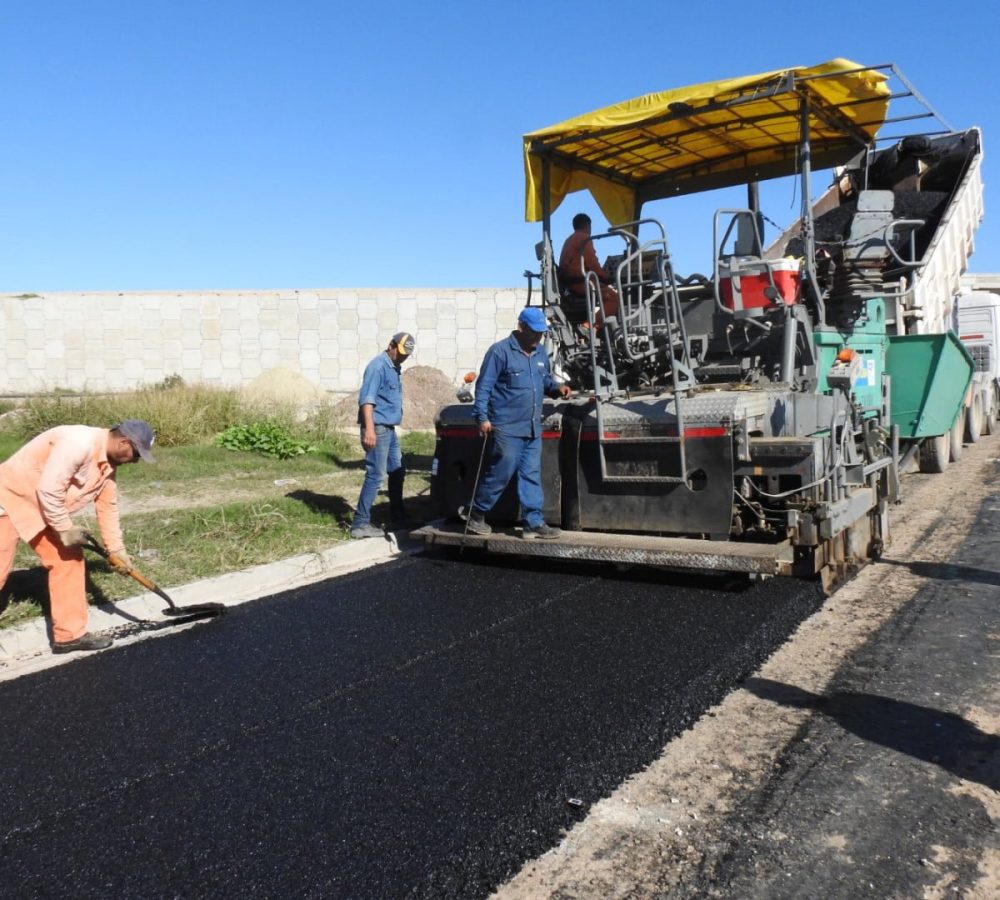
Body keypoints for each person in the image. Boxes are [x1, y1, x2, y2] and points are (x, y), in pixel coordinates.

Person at [0, 420, 156, 654]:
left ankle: (69, 636)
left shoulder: (107, 464)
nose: (135, 460)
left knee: (70, 559)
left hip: (43, 510)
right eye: (136, 453)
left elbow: (107, 507)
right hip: (9, 498)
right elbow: (49, 490)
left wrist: (116, 550)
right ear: (124, 442)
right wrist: (64, 529)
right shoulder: (78, 444)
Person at [463, 307, 572, 539]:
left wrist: (556, 388)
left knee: (531, 474)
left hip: (532, 426)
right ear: (521, 327)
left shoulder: (540, 352)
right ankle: (476, 513)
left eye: (541, 333)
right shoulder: (500, 352)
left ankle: (533, 522)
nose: (537, 338)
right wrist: (481, 418)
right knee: (501, 472)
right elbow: (484, 387)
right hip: (506, 426)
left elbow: (543, 380)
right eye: (533, 332)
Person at [351, 331, 416, 539]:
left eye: (407, 354)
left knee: (397, 469)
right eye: (402, 352)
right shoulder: (378, 366)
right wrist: (369, 429)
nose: (404, 356)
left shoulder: (394, 368)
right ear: (391, 345)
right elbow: (367, 401)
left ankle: (398, 517)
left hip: (388, 428)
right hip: (377, 427)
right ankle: (360, 524)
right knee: (376, 474)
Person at [558, 212, 620, 320]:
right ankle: (590, 326)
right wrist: (606, 277)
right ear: (587, 225)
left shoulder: (569, 240)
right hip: (581, 283)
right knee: (615, 298)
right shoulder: (584, 238)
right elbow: (592, 264)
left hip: (570, 284)